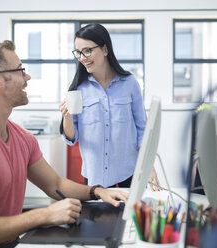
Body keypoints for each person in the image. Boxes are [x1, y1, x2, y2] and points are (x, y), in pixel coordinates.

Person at [0, 40, 128, 248]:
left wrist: (98, 192)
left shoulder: (21, 137)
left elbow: (55, 185)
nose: (27, 77)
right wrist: (44, 215)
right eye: (20, 70)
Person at [59, 23, 159, 189]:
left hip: (129, 172)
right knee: (97, 215)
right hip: (94, 175)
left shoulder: (129, 83)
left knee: (129, 214)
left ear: (105, 50)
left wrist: (148, 166)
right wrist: (67, 116)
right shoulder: (78, 89)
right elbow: (71, 138)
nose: (82, 58)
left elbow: (143, 129)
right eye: (78, 52)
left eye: (87, 50)